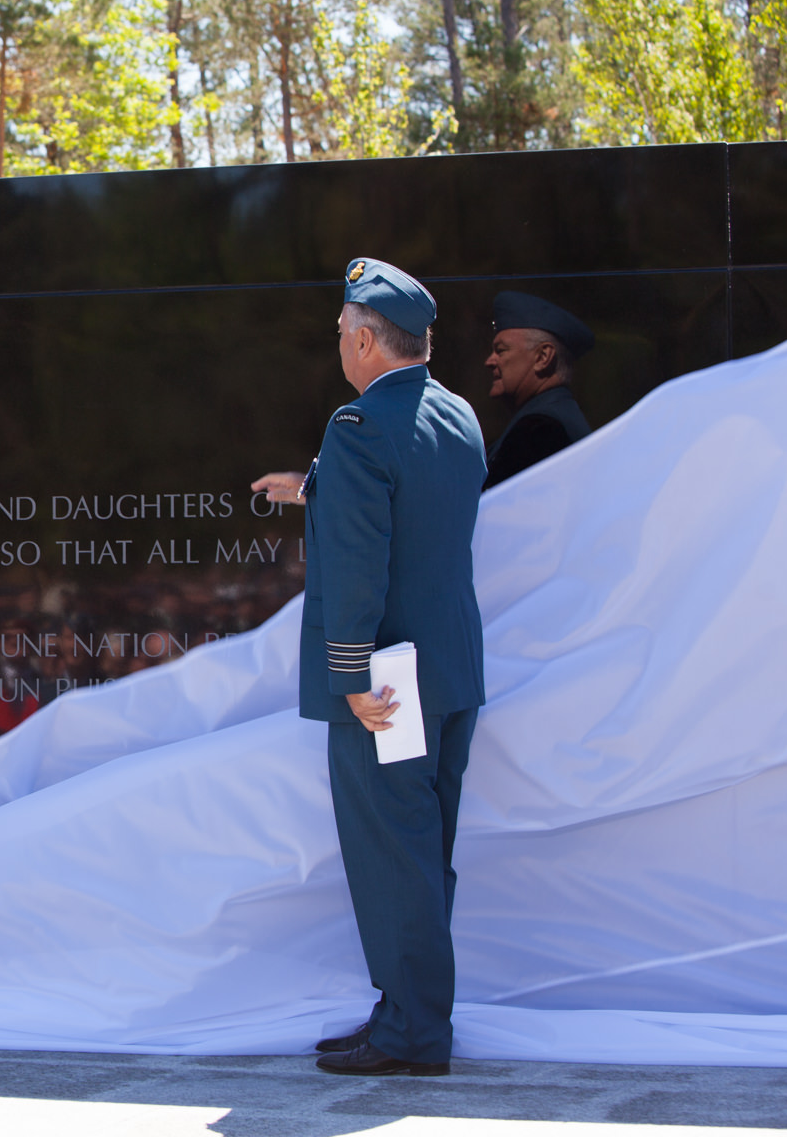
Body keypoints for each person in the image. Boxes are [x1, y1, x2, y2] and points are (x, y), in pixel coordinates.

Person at [251, 258, 486, 1077]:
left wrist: (350, 679)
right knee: (424, 852)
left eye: (342, 337)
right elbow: (413, 500)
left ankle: (412, 1034)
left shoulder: (355, 430)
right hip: (450, 670)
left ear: (362, 339)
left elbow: (359, 566)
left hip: (388, 684)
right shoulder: (457, 417)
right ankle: (410, 1013)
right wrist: (319, 487)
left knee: (394, 858)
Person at [483, 290, 594, 489]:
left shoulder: (542, 430)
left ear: (543, 357)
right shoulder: (555, 419)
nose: (490, 361)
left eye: (501, 351)